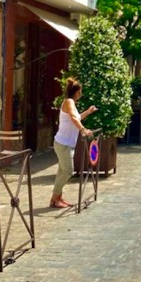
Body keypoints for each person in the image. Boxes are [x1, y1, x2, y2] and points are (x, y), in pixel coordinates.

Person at [51, 79, 97, 208]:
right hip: (63, 144)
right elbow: (72, 117)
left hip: (66, 144)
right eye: (80, 91)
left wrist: (88, 111)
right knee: (68, 171)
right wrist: (83, 130)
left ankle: (58, 198)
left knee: (62, 172)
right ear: (77, 92)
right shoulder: (69, 102)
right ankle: (54, 199)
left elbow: (77, 117)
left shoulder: (70, 103)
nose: (80, 94)